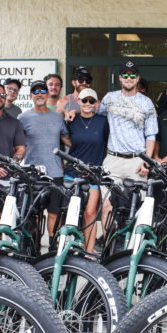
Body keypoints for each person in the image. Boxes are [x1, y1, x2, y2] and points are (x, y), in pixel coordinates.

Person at [96, 60, 158, 232]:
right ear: (120, 78)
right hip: (113, 160)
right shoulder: (109, 98)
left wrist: (147, 161)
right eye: (125, 74)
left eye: (132, 75)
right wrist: (72, 110)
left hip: (136, 161)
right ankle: (108, 246)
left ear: (137, 78)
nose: (128, 78)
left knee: (138, 208)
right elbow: (93, 113)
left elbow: (151, 135)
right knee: (107, 205)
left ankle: (132, 245)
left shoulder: (147, 103)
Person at [17, 79, 72, 239]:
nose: (39, 94)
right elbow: (19, 146)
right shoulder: (22, 118)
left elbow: (67, 140)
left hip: (55, 173)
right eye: (36, 91)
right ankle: (33, 249)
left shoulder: (58, 117)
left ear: (47, 95)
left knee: (54, 213)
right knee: (33, 214)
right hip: (33, 174)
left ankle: (53, 249)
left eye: (43, 91)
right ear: (30, 96)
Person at [65, 88, 109, 253]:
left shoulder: (103, 122)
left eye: (92, 101)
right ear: (78, 102)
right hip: (72, 172)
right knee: (71, 212)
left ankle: (88, 252)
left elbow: (108, 143)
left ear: (96, 103)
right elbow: (63, 136)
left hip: (93, 173)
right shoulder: (71, 120)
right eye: (84, 100)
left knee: (90, 213)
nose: (88, 104)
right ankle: (70, 248)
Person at [0, 83, 25, 178]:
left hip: (7, 177)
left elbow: (21, 149)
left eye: (3, 95)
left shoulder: (15, 123)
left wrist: (13, 164)